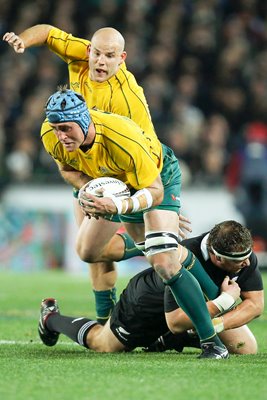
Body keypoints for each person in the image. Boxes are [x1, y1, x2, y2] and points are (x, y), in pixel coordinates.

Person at [3, 25, 191, 324]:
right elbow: (50, 34)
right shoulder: (84, 55)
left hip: (124, 173)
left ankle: (151, 243)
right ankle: (106, 321)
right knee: (92, 255)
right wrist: (23, 41)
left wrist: (153, 205)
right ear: (89, 51)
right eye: (98, 54)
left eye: (110, 56)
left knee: (100, 249)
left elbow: (141, 155)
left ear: (122, 58)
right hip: (89, 168)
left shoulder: (125, 101)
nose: (101, 62)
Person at [38, 85, 229, 359]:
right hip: (114, 183)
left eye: (66, 128)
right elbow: (67, 168)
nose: (60, 135)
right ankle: (161, 238)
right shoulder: (51, 134)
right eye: (56, 128)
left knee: (163, 261)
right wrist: (88, 187)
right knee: (88, 252)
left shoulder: (121, 138)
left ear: (83, 120)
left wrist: (117, 205)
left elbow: (155, 190)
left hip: (156, 177)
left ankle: (212, 343)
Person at [38, 220, 263, 355]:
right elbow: (174, 322)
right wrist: (225, 301)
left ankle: (175, 339)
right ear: (217, 258)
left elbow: (255, 305)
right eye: (238, 261)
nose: (246, 264)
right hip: (145, 305)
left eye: (247, 257)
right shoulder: (181, 257)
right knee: (103, 344)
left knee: (246, 348)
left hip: (201, 312)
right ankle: (51, 319)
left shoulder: (242, 255)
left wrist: (217, 324)